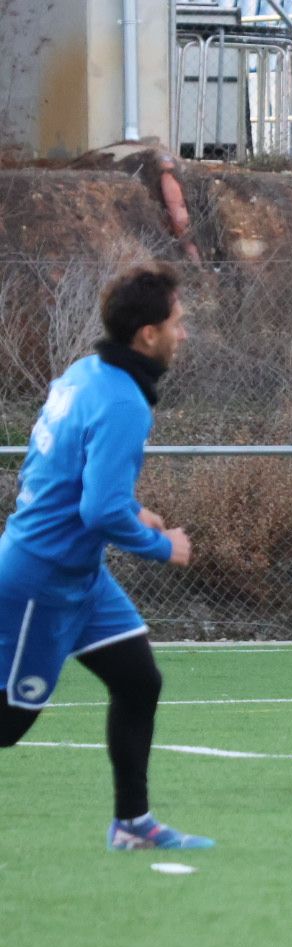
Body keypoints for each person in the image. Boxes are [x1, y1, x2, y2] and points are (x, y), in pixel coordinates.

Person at [0, 264, 211, 850]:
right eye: (178, 322)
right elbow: (98, 512)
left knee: (139, 681)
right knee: (8, 727)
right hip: (40, 581)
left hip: (79, 577)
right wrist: (161, 544)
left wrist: (131, 507)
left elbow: (61, 472)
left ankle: (132, 824)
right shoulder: (123, 402)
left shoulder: (85, 374)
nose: (183, 334)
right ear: (147, 334)